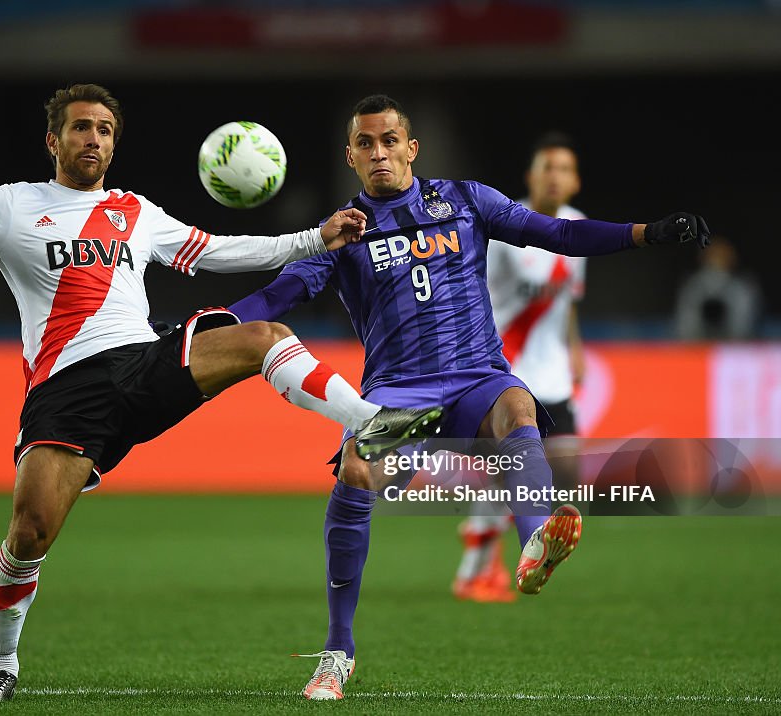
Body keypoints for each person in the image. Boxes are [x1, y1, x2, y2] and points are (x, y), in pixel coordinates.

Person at [0, 84, 446, 703]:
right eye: (82, 128)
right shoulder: (11, 206)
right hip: (68, 392)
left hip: (145, 362)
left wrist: (314, 238)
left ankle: (376, 419)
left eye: (105, 130)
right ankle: (2, 664)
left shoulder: (137, 213)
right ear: (53, 140)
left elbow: (221, 251)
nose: (94, 139)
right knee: (29, 534)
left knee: (264, 336)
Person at [228, 94, 710, 700]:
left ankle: (536, 537)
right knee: (354, 475)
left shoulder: (465, 200)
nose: (380, 152)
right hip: (398, 389)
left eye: (390, 140)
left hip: (476, 376)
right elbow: (277, 298)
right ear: (351, 156)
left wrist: (646, 233)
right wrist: (208, 329)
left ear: (412, 148)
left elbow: (557, 233)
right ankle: (337, 650)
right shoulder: (344, 231)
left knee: (518, 406)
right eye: (366, 144)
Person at [452, 131, 587, 603]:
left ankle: (491, 543)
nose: (555, 176)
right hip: (509, 372)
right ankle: (475, 566)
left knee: (566, 472)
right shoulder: (508, 230)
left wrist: (575, 348)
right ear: (530, 176)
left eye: (564, 168)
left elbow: (567, 301)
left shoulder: (577, 226)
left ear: (575, 181)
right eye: (547, 167)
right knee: (511, 470)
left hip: (554, 373)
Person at [674, 235, 762, 340]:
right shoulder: (692, 287)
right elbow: (685, 328)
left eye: (721, 256)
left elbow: (743, 328)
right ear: (703, 258)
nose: (716, 261)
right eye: (712, 256)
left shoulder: (742, 288)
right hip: (698, 347)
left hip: (733, 348)